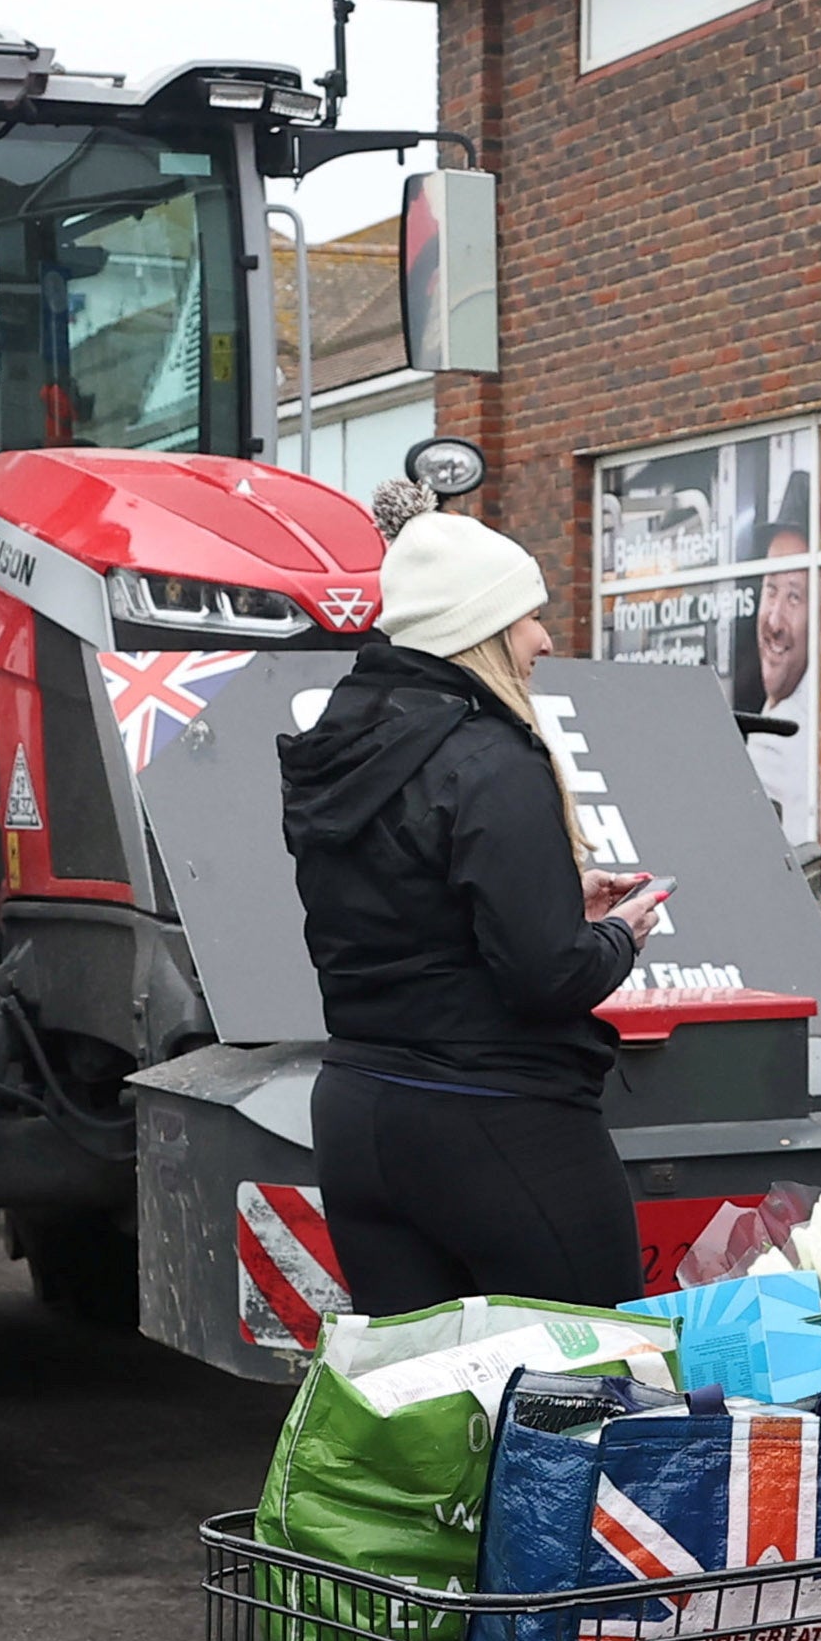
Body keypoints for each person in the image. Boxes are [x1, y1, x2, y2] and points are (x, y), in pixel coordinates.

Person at [282, 513, 669, 1314]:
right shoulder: (492, 756)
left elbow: (416, 902)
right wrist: (616, 936)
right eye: (530, 616)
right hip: (498, 1121)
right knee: (587, 1398)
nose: (545, 640)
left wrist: (560, 892)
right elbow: (547, 975)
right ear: (482, 631)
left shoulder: (344, 745)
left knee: (427, 1412)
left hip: (358, 1113)